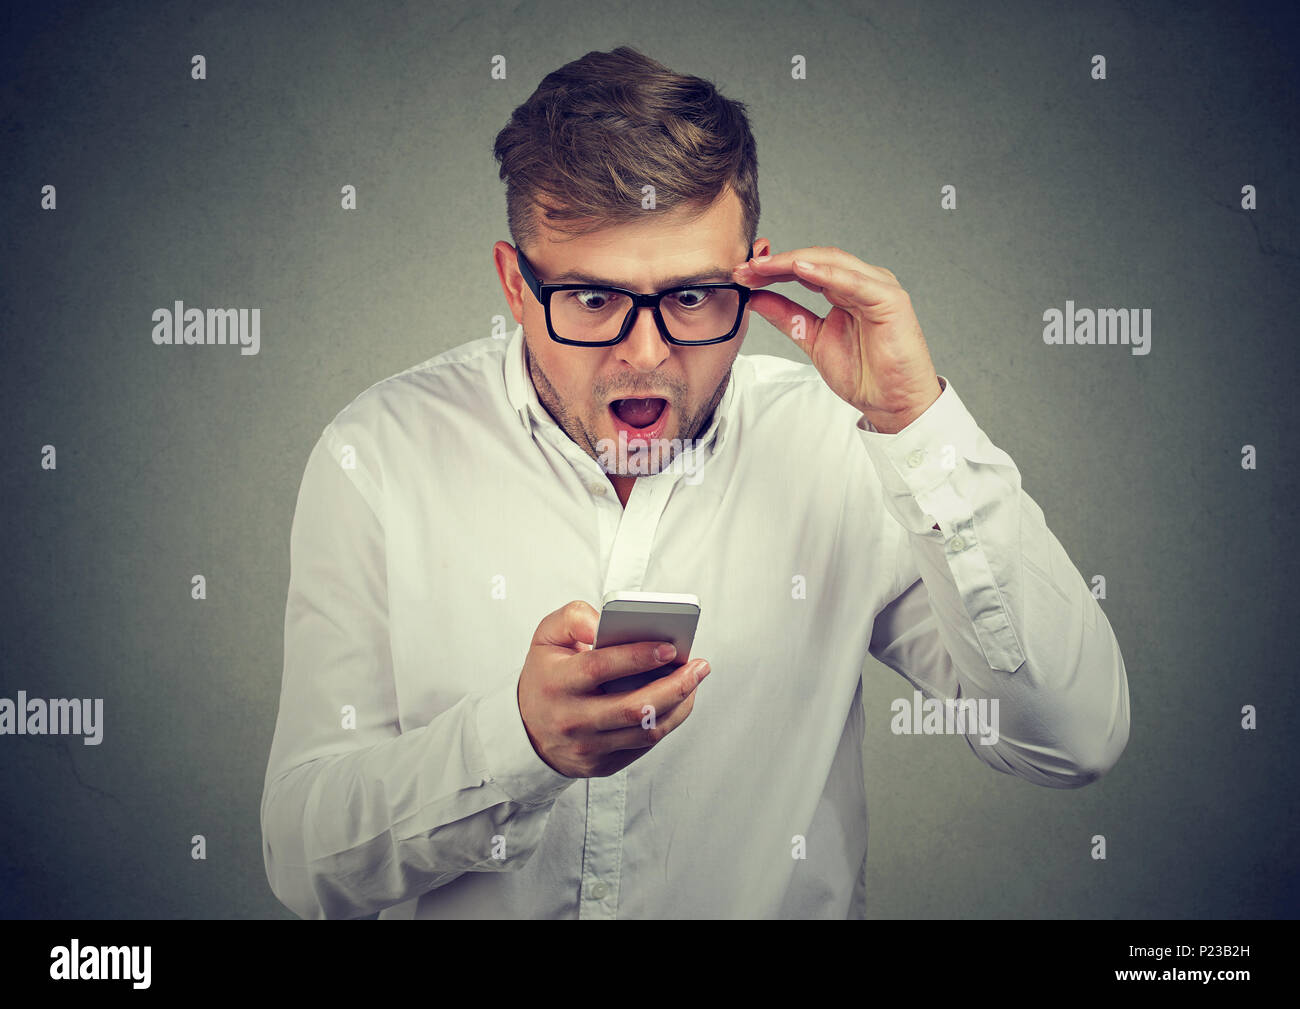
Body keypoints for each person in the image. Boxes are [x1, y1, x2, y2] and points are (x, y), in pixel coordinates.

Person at [260, 46, 1130, 919]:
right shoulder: (378, 454)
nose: (646, 354)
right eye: (594, 300)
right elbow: (303, 860)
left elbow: (1070, 738)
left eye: (691, 297)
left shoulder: (843, 448)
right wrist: (514, 745)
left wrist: (920, 426)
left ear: (750, 277)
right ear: (515, 287)